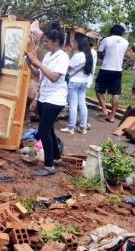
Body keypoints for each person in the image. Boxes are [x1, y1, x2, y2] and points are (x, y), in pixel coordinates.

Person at [25, 23, 68, 177]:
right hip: (45, 96)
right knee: (48, 129)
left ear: (55, 42)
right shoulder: (49, 56)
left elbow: (54, 77)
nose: (44, 44)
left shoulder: (63, 57)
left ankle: (49, 165)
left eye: (47, 41)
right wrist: (30, 64)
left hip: (55, 99)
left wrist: (38, 63)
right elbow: (40, 75)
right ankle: (56, 157)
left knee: (43, 131)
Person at [59, 35, 94, 135]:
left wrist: (68, 53)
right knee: (82, 104)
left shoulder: (79, 55)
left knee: (73, 105)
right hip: (83, 81)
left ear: (80, 45)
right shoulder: (88, 55)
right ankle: (83, 127)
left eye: (75, 43)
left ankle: (71, 127)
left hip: (74, 82)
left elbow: (67, 66)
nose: (73, 45)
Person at [95, 24, 129, 123]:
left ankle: (105, 111)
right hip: (118, 70)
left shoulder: (106, 40)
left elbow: (99, 53)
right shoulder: (125, 42)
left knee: (98, 90)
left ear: (112, 31)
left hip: (105, 68)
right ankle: (112, 116)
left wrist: (104, 56)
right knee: (116, 93)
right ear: (121, 33)